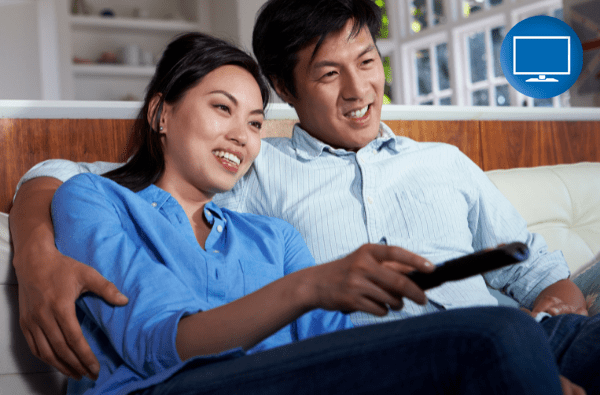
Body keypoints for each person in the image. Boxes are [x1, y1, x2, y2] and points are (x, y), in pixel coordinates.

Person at [8, 0, 597, 393]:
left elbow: (531, 263)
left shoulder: (280, 231)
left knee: (519, 335)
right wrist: (36, 253)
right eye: (328, 73)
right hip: (429, 351)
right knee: (501, 336)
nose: (358, 88)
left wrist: (552, 315)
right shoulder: (239, 176)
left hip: (507, 336)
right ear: (291, 89)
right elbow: (68, 176)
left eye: (367, 62)